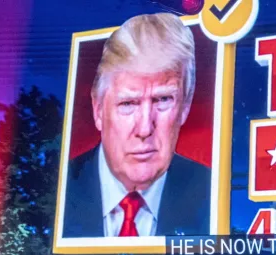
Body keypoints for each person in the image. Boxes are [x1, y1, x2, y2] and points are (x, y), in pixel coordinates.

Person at [62, 12, 211, 239]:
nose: (144, 129)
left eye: (163, 100)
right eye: (128, 103)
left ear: (185, 106)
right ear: (98, 109)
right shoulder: (54, 190)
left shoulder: (214, 194)